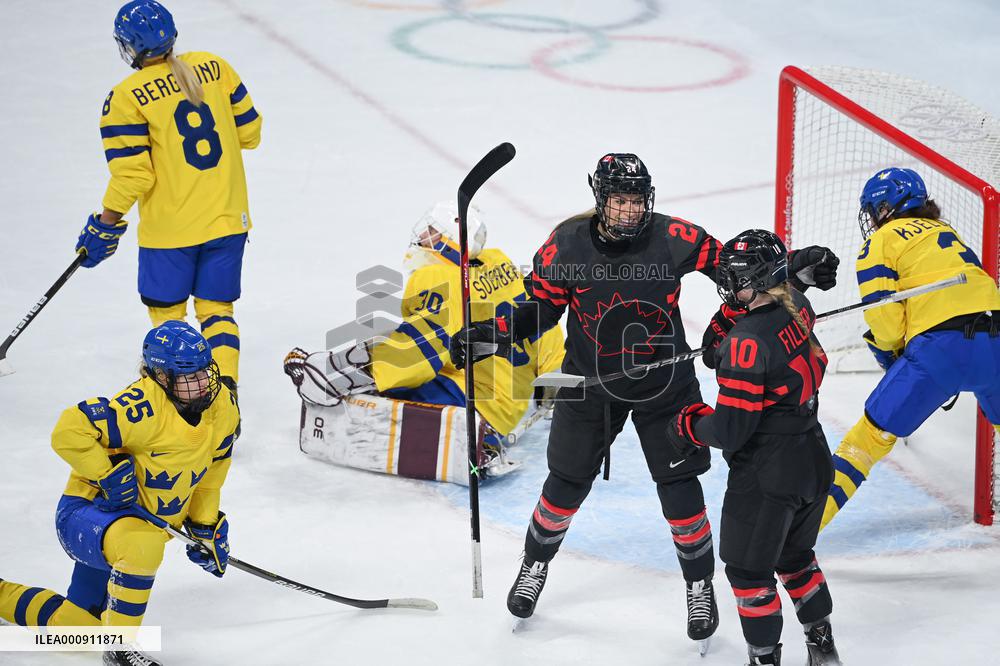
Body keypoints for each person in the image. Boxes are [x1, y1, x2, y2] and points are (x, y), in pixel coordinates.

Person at [450, 153, 840, 645]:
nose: (630, 211)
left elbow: (742, 273)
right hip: (591, 385)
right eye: (620, 201)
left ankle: (699, 585)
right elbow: (539, 309)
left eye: (637, 201)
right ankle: (534, 564)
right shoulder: (565, 246)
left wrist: (793, 271)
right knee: (566, 482)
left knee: (680, 487)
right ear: (600, 199)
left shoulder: (675, 238)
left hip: (666, 384)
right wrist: (491, 333)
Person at [0, 321, 240, 666]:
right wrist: (106, 473)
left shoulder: (223, 408)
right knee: (143, 545)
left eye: (204, 371)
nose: (202, 384)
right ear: (160, 376)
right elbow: (68, 430)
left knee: (78, 633)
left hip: (134, 526)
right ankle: (119, 648)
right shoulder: (140, 406)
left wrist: (204, 527)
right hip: (90, 515)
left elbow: (209, 478)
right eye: (188, 377)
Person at [283, 201, 565, 484]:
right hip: (510, 403)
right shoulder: (500, 264)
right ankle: (483, 432)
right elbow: (545, 325)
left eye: (432, 232)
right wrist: (555, 377)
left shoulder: (438, 277)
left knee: (385, 389)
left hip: (472, 401)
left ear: (450, 243)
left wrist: (340, 370)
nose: (422, 239)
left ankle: (478, 438)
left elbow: (419, 349)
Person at [667, 229, 841, 666]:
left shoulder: (747, 344)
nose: (727, 285)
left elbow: (730, 431)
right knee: (796, 558)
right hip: (814, 457)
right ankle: (824, 649)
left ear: (757, 280)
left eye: (735, 278)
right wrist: (725, 332)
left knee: (749, 573)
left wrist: (689, 423)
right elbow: (718, 345)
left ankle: (764, 659)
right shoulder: (798, 306)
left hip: (768, 473)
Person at [75, 0, 262, 396]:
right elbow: (251, 134)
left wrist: (105, 222)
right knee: (218, 312)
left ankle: (186, 400)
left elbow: (134, 174)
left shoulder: (125, 97)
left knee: (169, 319)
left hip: (171, 231)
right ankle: (225, 395)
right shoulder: (215, 66)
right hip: (229, 219)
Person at [821, 168, 1000, 529]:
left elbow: (886, 324)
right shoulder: (947, 231)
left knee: (868, 440)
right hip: (996, 342)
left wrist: (889, 353)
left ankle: (797, 536)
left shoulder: (880, 242)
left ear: (885, 208)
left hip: (941, 352)